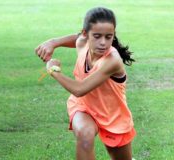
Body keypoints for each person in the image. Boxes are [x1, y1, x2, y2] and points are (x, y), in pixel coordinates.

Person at [35, 7, 136, 160]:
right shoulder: (82, 42)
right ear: (85, 34)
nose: (103, 43)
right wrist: (53, 42)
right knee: (85, 135)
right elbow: (76, 39)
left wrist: (53, 70)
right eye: (97, 36)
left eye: (108, 37)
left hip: (113, 114)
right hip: (84, 106)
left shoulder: (112, 61)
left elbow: (79, 89)